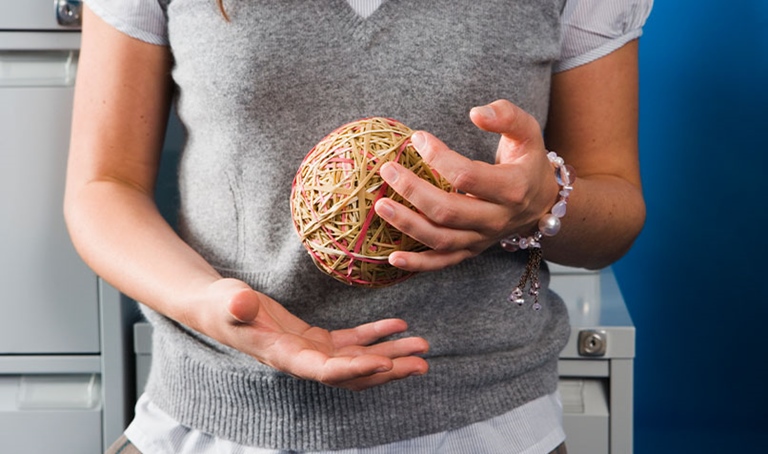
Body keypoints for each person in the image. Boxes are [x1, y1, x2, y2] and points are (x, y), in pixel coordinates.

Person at [65, 0, 651, 453]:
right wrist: (209, 303)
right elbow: (103, 187)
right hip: (217, 416)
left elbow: (617, 210)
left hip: (488, 426)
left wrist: (541, 202)